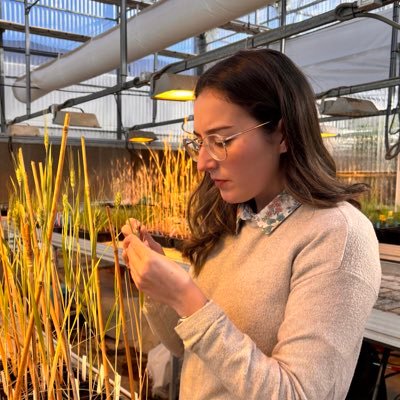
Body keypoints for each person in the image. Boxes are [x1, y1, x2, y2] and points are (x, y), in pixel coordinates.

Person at [122, 48, 381, 400]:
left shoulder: (337, 235)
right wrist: (160, 287)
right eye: (200, 141)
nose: (202, 162)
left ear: (283, 134)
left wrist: (189, 297)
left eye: (222, 140)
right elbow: (180, 345)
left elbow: (298, 393)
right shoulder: (233, 219)